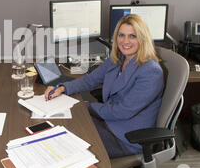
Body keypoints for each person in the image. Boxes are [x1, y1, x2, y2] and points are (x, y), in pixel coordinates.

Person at [44, 14, 164, 158]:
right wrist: (63, 88)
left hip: (126, 137)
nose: (125, 41)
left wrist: (88, 107)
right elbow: (90, 80)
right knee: (65, 126)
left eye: (132, 36)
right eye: (121, 35)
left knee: (67, 144)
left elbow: (122, 111)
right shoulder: (117, 59)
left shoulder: (151, 71)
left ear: (142, 39)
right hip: (108, 122)